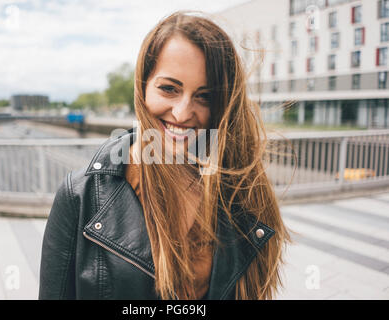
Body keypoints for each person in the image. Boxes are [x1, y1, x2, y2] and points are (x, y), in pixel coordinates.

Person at [39, 11, 292, 300]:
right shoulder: (80, 196)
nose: (183, 113)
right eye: (169, 89)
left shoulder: (240, 193)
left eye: (204, 96)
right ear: (143, 86)